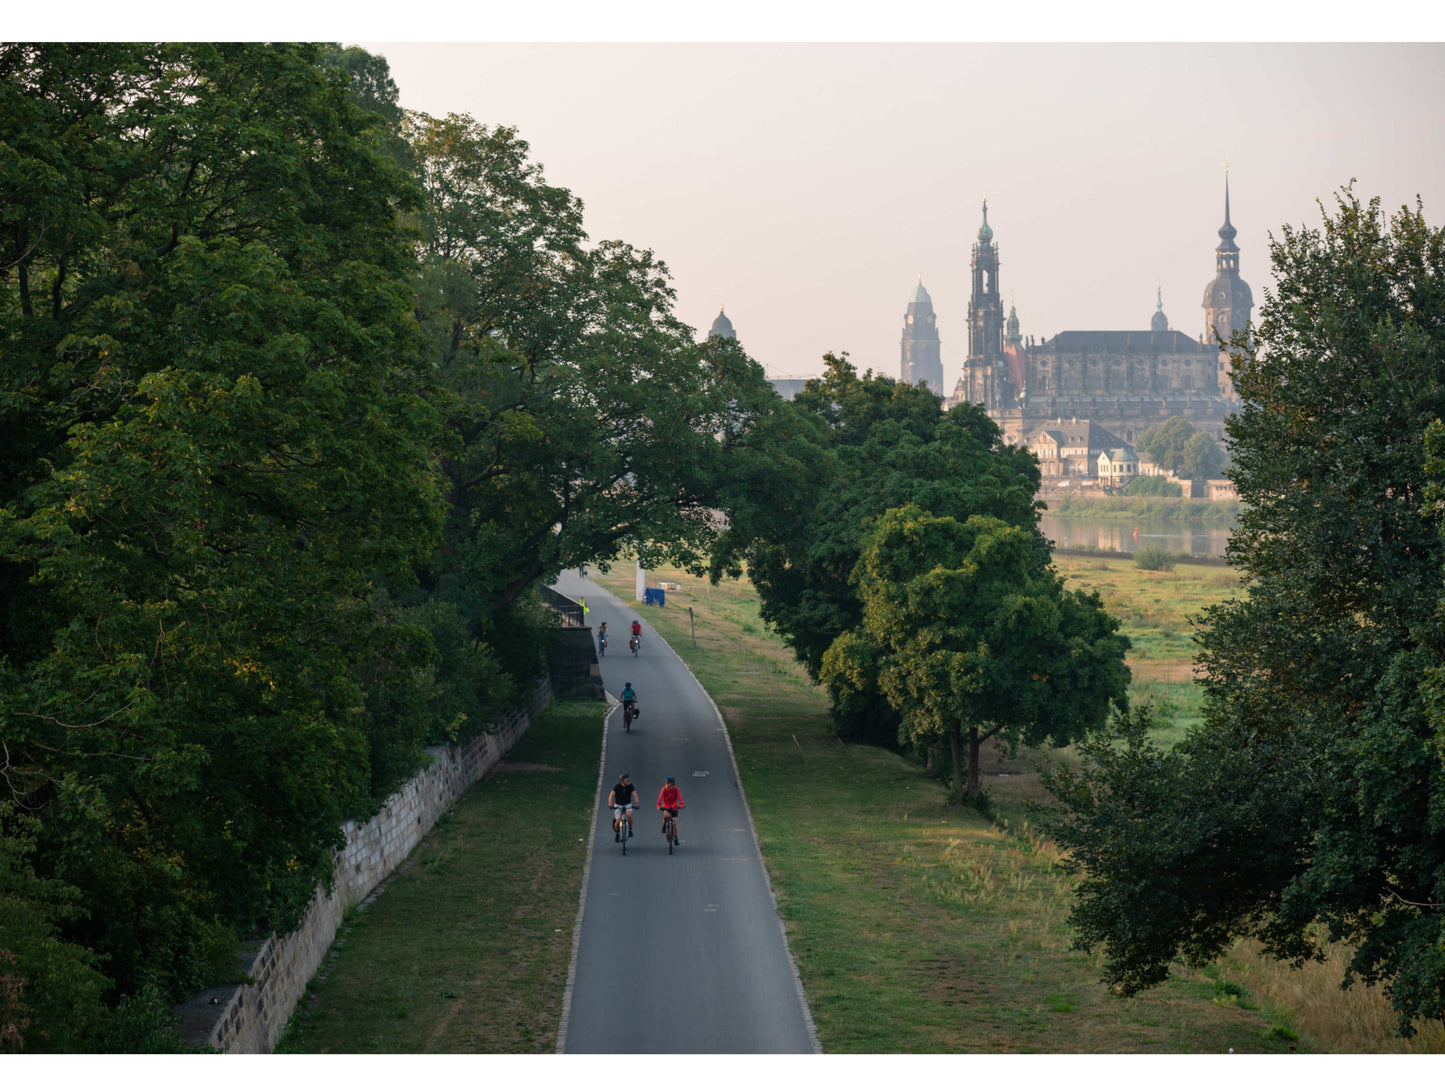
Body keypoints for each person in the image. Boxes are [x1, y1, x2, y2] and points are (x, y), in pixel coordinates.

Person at [656, 775, 684, 844]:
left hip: (674, 807)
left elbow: (680, 797)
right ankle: (664, 824)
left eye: (669, 783)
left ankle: (676, 838)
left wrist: (682, 804)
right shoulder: (664, 789)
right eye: (666, 783)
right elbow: (660, 797)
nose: (668, 784)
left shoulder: (676, 789)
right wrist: (658, 805)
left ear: (673, 783)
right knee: (666, 815)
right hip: (666, 806)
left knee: (675, 822)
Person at [609, 772, 637, 840]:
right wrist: (610, 804)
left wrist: (637, 803)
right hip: (618, 805)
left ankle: (630, 830)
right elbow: (611, 795)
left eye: (628, 780)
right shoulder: (617, 786)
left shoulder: (630, 786)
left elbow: (635, 794)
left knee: (629, 815)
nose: (628, 781)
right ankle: (617, 833)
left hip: (627, 804)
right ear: (622, 781)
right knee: (618, 820)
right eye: (626, 780)